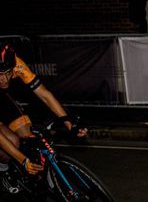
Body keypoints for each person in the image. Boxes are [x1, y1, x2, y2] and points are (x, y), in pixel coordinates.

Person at [0, 43, 86, 194]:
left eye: (7, 72)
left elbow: (45, 95)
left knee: (29, 135)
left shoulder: (17, 65)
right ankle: (3, 170)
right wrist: (22, 159)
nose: (4, 79)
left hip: (3, 100)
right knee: (11, 143)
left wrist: (69, 124)